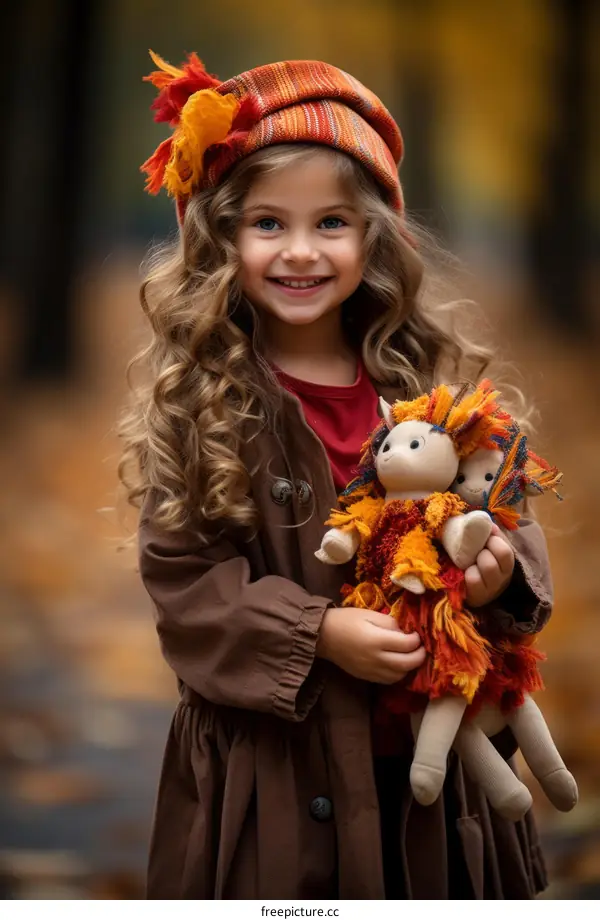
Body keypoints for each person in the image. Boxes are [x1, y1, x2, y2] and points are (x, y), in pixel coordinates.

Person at [119, 52, 553, 899]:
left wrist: (500, 571)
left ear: (373, 235)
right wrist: (314, 634)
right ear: (221, 236)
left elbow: (509, 521)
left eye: (331, 224)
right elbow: (184, 581)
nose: (301, 252)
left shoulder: (429, 390)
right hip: (273, 783)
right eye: (268, 224)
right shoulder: (207, 403)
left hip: (429, 778)